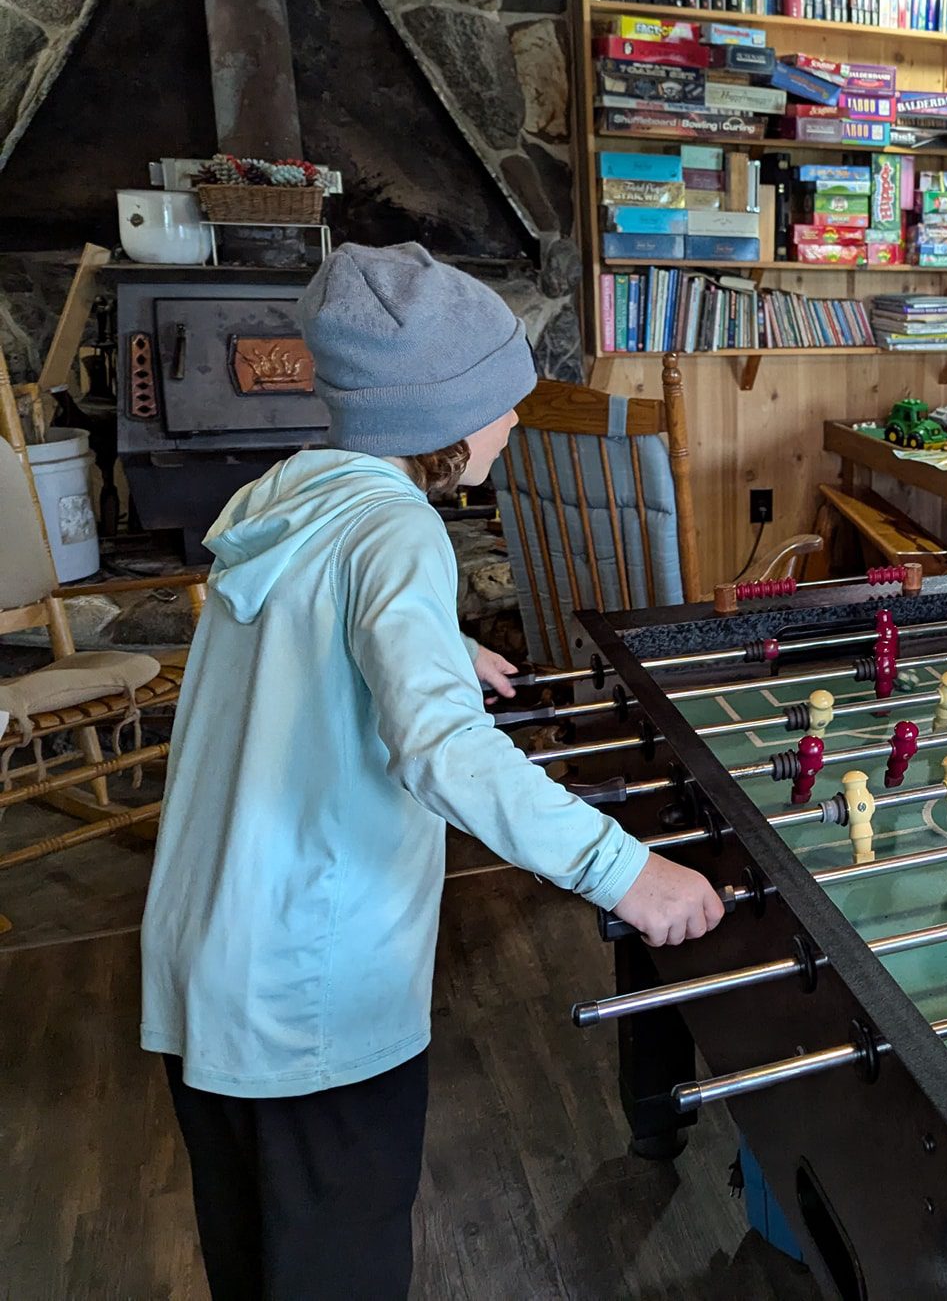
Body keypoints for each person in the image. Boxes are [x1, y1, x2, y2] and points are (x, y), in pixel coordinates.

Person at [140, 242, 724, 1300]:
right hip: (310, 994)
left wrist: (440, 648)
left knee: (252, 1259)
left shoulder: (292, 495)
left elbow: (307, 625)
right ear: (442, 418)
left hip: (206, 965)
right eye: (502, 401)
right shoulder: (403, 531)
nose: (514, 419)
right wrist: (626, 871)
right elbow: (442, 749)